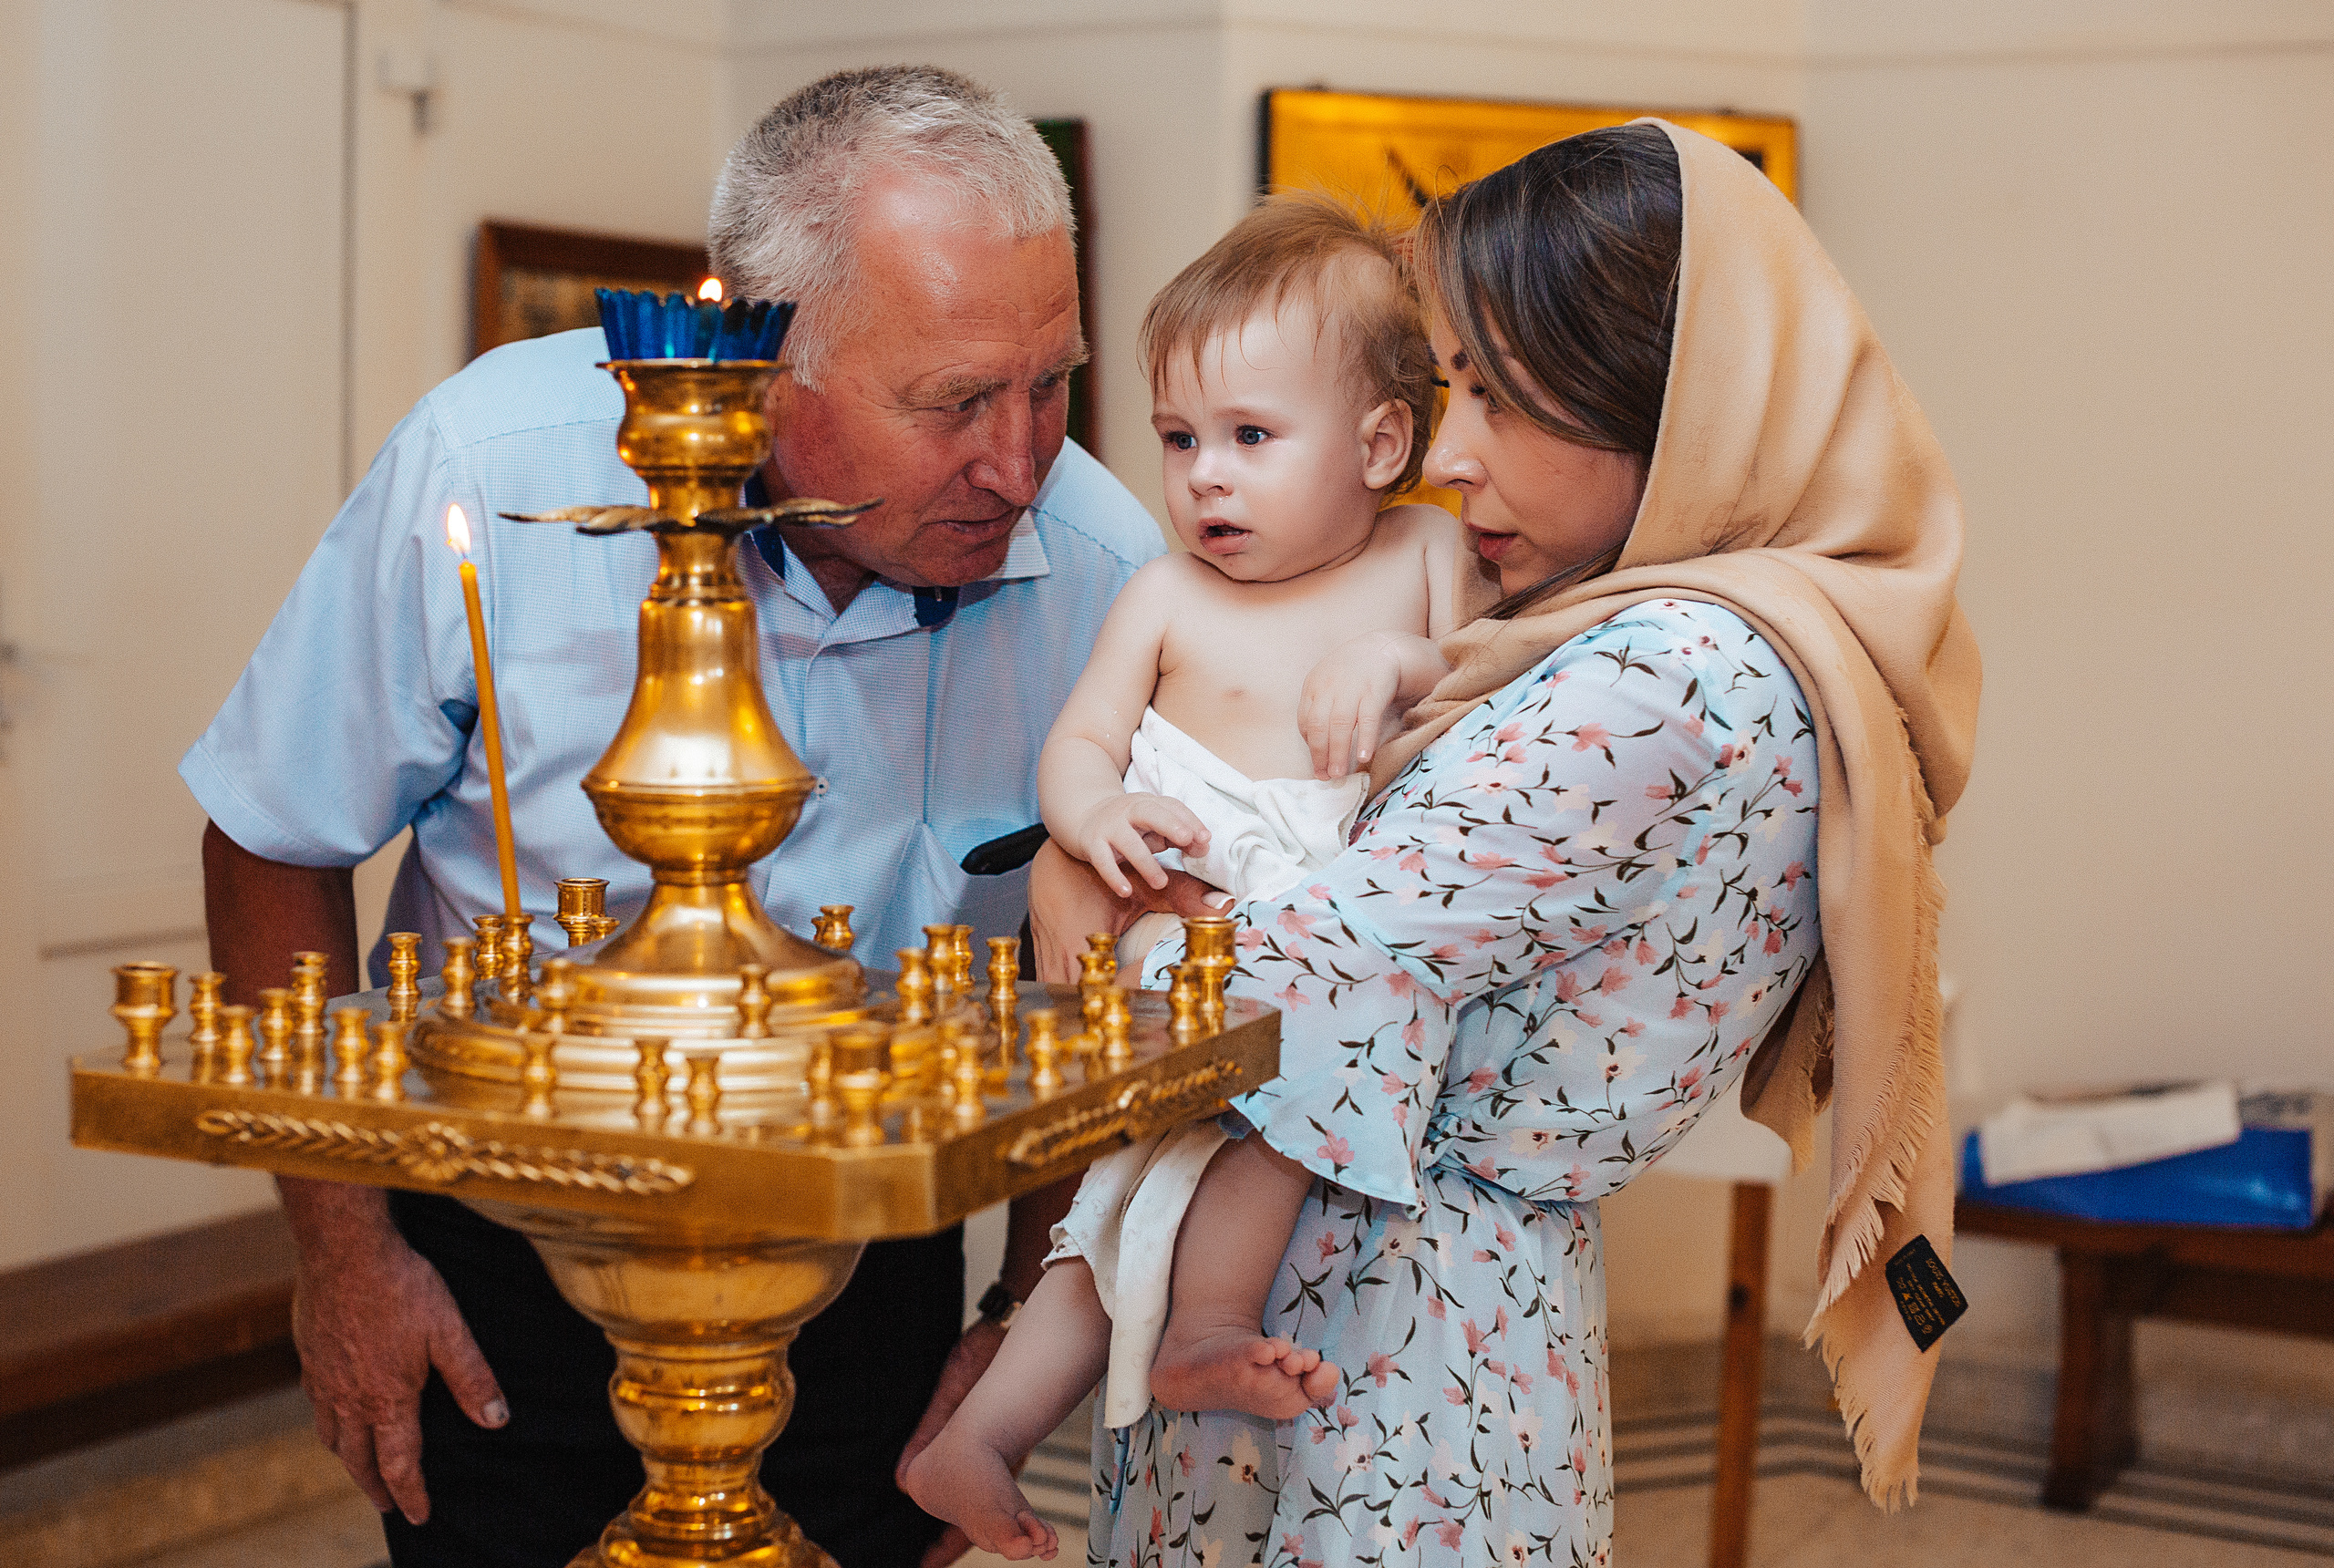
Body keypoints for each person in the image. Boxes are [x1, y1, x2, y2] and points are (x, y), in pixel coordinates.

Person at [185, 65, 1197, 1568]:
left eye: (1050, 382)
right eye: (956, 402)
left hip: (876, 1266)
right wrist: (346, 1254)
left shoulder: (1104, 571)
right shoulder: (497, 471)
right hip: (509, 1250)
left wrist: (1014, 1317)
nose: (1018, 460)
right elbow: (274, 832)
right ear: (761, 355)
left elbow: (1085, 991)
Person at [1038, 119, 1979, 1565]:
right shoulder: (1725, 633)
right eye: (1449, 386)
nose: (1450, 457)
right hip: (1416, 1305)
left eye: (1502, 400)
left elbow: (1291, 974)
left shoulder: (1660, 672)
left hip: (1388, 1338)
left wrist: (1086, 913)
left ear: (1666, 407)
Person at [903, 196, 1476, 1560]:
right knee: (1180, 1150)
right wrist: (1091, 818)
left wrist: (1401, 666)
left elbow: (1495, 703)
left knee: (1133, 1203)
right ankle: (1199, 1333)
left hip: (1314, 932)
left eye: (1251, 439)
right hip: (1185, 920)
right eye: (1179, 440)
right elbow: (1079, 744)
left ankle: (980, 1438)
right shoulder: (1165, 593)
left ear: (1382, 444)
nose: (1205, 476)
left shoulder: (1429, 560)